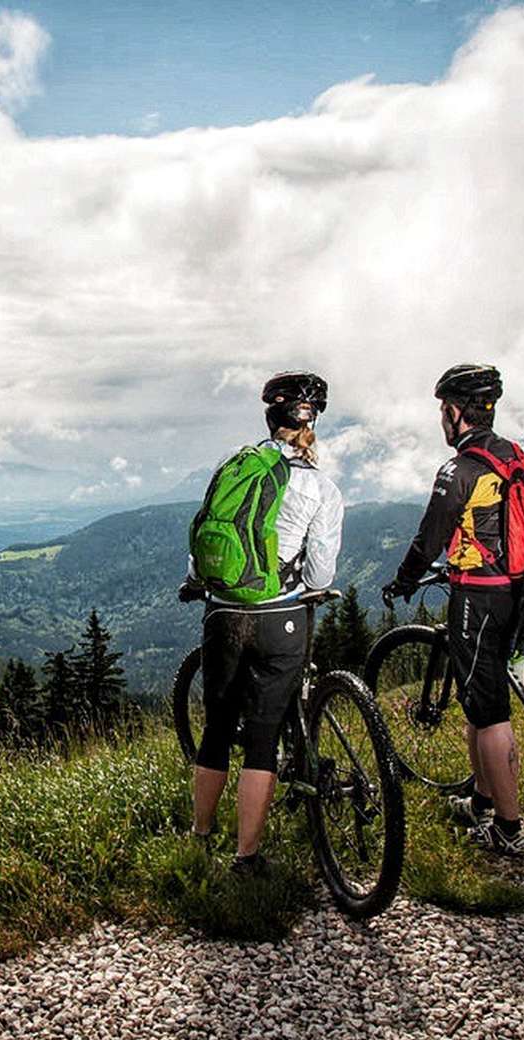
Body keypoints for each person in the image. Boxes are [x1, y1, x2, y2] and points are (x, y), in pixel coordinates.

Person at [183, 371, 344, 876]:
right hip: (281, 618)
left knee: (215, 730)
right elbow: (321, 571)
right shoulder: (319, 486)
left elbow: (207, 542)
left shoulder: (233, 467)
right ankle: (246, 857)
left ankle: (200, 837)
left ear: (269, 417)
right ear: (312, 421)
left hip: (224, 614)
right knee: (262, 737)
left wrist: (199, 583)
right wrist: (307, 586)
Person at [382, 363, 524, 857]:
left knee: (491, 712)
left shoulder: (460, 469)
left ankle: (509, 831)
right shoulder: (512, 456)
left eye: (441, 411)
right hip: (516, 592)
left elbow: (430, 535)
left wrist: (404, 580)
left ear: (454, 412)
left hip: (478, 594)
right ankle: (481, 800)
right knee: (479, 694)